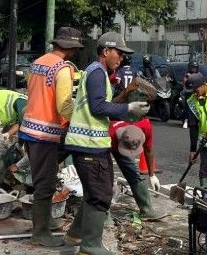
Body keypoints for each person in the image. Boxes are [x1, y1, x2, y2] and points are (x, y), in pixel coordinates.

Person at [64, 32, 150, 254]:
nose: (121, 58)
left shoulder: (97, 72)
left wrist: (127, 108)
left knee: (95, 192)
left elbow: (103, 107)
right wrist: (128, 108)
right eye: (118, 53)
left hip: (89, 144)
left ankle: (75, 234)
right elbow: (98, 107)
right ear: (105, 51)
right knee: (100, 195)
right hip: (89, 145)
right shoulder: (97, 73)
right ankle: (90, 246)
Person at [18, 26, 84, 247]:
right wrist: (82, 120)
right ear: (71, 49)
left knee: (41, 181)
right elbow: (64, 106)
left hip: (29, 129)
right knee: (45, 185)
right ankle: (40, 233)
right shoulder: (62, 69)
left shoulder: (38, 63)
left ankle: (43, 226)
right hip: (45, 133)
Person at [109, 118, 165, 220]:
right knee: (103, 177)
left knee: (134, 173)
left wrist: (152, 175)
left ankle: (147, 210)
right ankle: (103, 216)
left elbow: (148, 149)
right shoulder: (110, 132)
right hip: (105, 145)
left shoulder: (145, 125)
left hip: (123, 143)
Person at [181, 60, 201, 129]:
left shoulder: (199, 74)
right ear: (190, 67)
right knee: (187, 107)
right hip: (189, 93)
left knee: (199, 106)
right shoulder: (187, 75)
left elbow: (202, 80)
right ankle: (186, 121)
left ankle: (199, 121)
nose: (194, 69)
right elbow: (186, 83)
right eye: (193, 67)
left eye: (195, 67)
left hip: (197, 93)